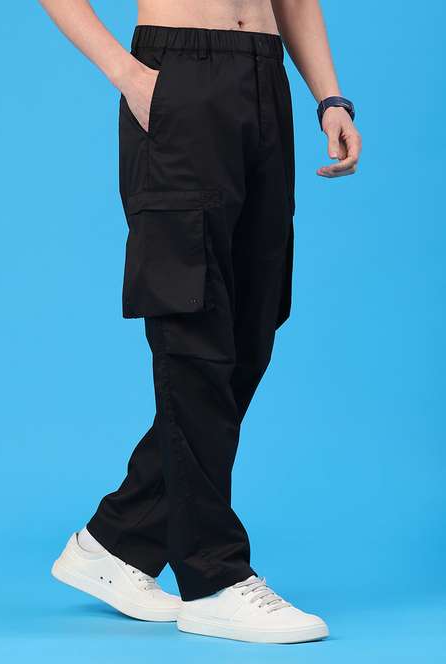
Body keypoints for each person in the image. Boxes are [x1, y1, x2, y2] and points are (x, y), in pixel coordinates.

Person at [40, 0, 362, 644]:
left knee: (252, 329)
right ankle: (213, 578)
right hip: (178, 71)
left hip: (264, 77)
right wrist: (128, 75)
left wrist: (329, 98)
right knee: (194, 326)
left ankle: (118, 541)